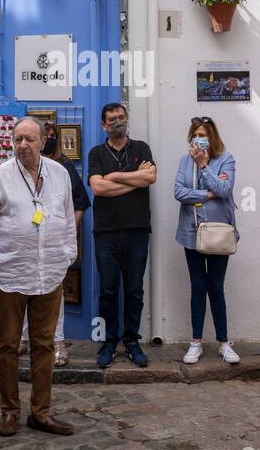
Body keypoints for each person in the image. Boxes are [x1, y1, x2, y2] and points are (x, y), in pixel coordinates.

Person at [0, 117, 76, 438]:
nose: (23, 145)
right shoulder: (0, 177)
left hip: (50, 274)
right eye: (18, 139)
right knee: (7, 346)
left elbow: (69, 222)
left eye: (29, 139)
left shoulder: (60, 174)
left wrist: (66, 256)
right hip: (10, 275)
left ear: (44, 140)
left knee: (44, 345)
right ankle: (9, 411)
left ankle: (40, 413)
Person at [87, 102, 157, 368]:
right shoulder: (96, 153)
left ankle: (131, 340)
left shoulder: (141, 148)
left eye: (121, 117)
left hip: (137, 230)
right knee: (108, 290)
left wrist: (113, 177)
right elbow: (98, 189)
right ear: (103, 125)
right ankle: (109, 341)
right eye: (112, 119)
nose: (117, 121)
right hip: (106, 232)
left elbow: (150, 178)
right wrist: (133, 177)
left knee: (134, 289)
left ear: (127, 119)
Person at [172, 117, 241, 365]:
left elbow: (224, 190)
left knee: (216, 286)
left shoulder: (226, 159)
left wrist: (204, 166)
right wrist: (206, 195)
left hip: (220, 232)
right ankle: (196, 342)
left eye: (203, 134)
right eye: (195, 134)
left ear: (212, 137)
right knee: (198, 287)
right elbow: (179, 192)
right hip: (191, 232)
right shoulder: (183, 160)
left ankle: (224, 342)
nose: (199, 139)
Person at [40, 120, 90, 366]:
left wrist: (68, 230)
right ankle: (25, 338)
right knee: (22, 290)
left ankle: (58, 341)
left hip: (55, 242)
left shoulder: (64, 165)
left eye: (52, 135)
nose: (48, 139)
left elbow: (80, 202)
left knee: (55, 292)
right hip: (28, 243)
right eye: (45, 134)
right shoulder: (16, 167)